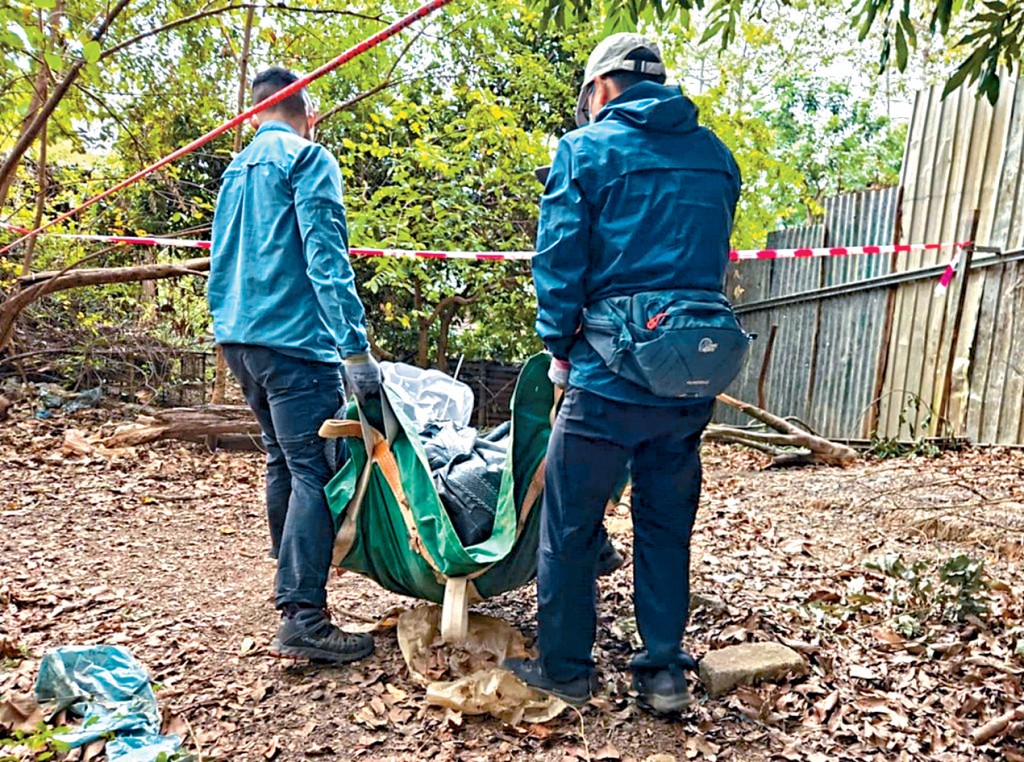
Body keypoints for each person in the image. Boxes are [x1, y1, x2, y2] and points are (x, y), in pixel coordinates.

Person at [504, 34, 742, 714]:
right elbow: (708, 264)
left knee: (572, 524)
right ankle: (662, 673)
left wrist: (558, 347)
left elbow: (558, 263)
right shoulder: (716, 157)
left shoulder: (586, 151)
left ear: (601, 88)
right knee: (666, 524)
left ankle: (567, 670)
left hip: (606, 382)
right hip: (687, 380)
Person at [208, 67, 382, 664]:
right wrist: (355, 350)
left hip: (240, 341)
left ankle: (291, 587)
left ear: (256, 114)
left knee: (283, 460)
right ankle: (303, 617)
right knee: (315, 470)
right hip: (293, 345)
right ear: (309, 116)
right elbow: (326, 259)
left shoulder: (234, 171)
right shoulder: (307, 159)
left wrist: (229, 328)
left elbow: (222, 260)